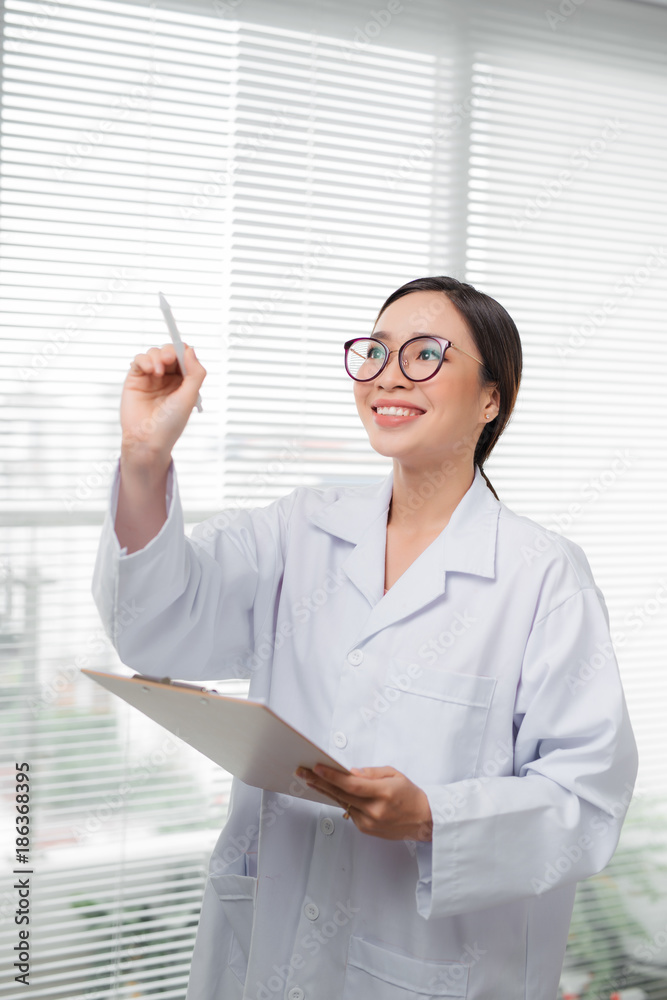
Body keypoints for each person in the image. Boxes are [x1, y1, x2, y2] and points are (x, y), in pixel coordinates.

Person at [92, 275, 638, 1000]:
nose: (386, 374)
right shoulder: (301, 528)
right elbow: (155, 631)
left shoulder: (541, 576)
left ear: (490, 399)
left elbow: (586, 801)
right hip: (268, 945)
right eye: (374, 352)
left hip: (432, 968)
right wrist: (143, 457)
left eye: (423, 355)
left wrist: (433, 818)